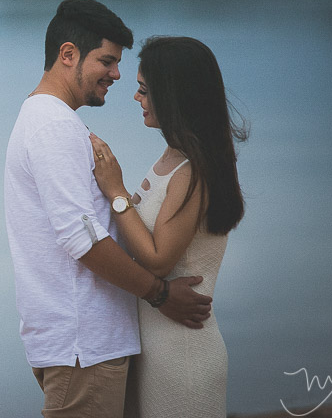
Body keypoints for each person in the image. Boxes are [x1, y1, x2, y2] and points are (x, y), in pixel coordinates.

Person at [4, 0, 212, 418]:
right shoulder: (54, 127)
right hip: (85, 345)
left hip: (77, 343)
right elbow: (82, 240)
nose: (116, 74)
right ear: (68, 54)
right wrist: (159, 293)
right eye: (107, 60)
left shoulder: (43, 117)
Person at [90, 36, 246, 418]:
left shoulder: (192, 171)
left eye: (144, 90)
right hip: (155, 347)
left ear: (175, 96)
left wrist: (116, 191)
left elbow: (159, 260)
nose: (136, 97)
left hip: (183, 356)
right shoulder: (172, 156)